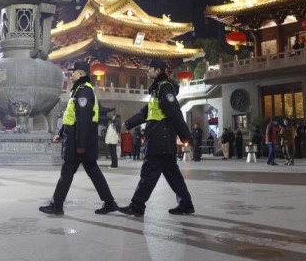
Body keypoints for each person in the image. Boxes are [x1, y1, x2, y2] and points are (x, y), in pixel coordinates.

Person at [39, 61, 118, 216]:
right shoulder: (78, 91)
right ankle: (109, 203)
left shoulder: (83, 92)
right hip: (77, 139)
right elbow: (71, 117)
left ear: (82, 74)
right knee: (92, 171)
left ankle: (57, 205)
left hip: (78, 142)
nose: (70, 75)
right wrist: (61, 134)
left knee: (67, 171)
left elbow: (83, 119)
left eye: (73, 72)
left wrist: (81, 144)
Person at [118, 59, 195, 217]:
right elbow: (145, 112)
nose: (147, 71)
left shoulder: (164, 87)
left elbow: (174, 112)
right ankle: (185, 204)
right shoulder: (157, 90)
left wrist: (186, 136)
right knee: (173, 175)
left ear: (158, 70)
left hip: (160, 138)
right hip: (160, 138)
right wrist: (128, 124)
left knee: (148, 172)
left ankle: (137, 205)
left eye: (149, 68)